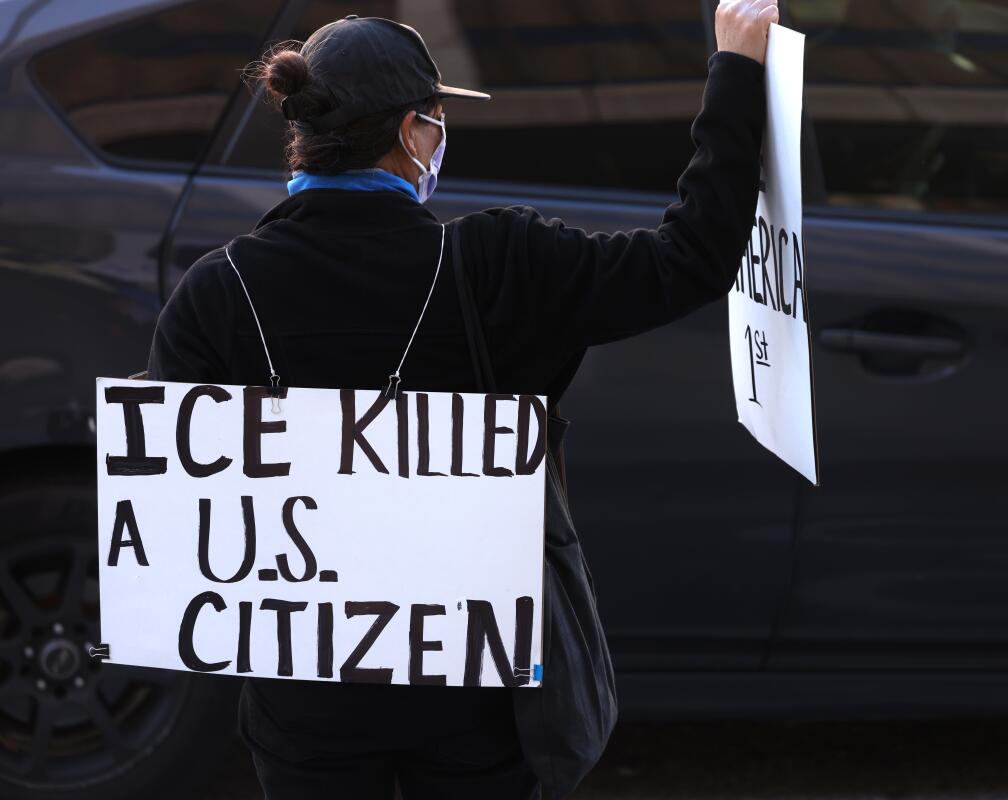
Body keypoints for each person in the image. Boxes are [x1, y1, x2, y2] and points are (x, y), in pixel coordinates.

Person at [146, 1, 779, 797]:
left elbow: (181, 506)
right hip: (478, 704)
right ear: (414, 135)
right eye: (439, 120)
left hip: (303, 708)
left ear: (301, 135)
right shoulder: (501, 262)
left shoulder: (214, 293)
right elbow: (693, 255)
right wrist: (735, 69)